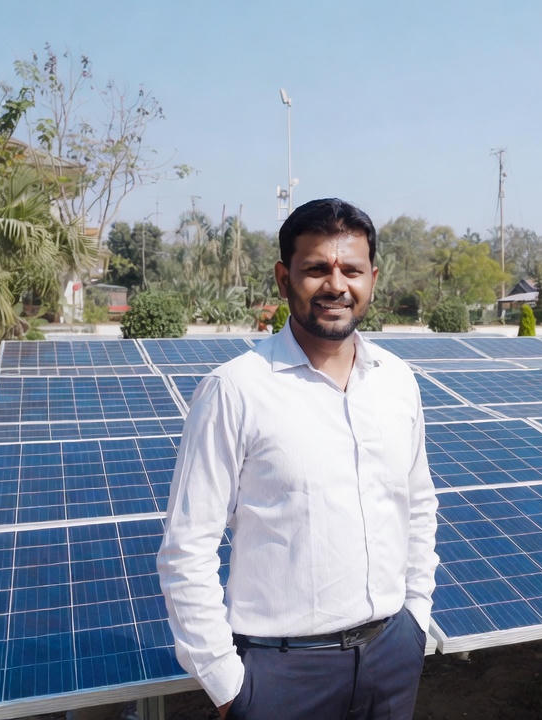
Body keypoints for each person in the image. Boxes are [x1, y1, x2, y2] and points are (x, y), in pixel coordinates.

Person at [158, 198, 439, 720]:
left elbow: (417, 506)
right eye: (316, 269)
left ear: (372, 278)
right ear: (284, 279)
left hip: (391, 654)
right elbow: (187, 549)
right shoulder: (235, 390)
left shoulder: (397, 382)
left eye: (351, 270)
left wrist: (415, 619)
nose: (336, 285)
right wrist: (229, 688)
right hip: (280, 674)